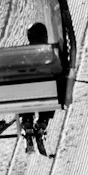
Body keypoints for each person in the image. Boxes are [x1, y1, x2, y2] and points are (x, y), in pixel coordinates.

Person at [18, 23, 55, 155]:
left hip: (26, 93)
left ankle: (27, 123)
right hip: (45, 92)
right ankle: (41, 124)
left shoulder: (22, 54)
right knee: (52, 92)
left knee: (24, 92)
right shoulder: (48, 52)